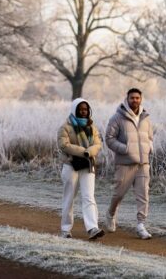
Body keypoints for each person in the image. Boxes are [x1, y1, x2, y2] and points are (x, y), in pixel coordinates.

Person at [104, 88, 154, 240]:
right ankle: (111, 214)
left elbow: (150, 137)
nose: (135, 100)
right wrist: (125, 149)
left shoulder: (146, 118)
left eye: (137, 98)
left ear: (141, 99)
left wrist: (149, 148)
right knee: (119, 194)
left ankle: (141, 225)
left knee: (143, 195)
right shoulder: (117, 118)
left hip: (143, 164)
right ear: (127, 99)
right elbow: (109, 139)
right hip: (125, 163)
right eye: (132, 98)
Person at [57, 98, 105, 240]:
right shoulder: (65, 127)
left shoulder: (92, 127)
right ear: (75, 110)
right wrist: (83, 152)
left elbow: (98, 144)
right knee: (69, 198)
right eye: (80, 109)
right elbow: (63, 145)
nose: (83, 112)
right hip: (71, 166)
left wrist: (88, 153)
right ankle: (65, 230)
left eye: (85, 109)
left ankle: (92, 228)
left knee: (89, 197)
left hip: (87, 165)